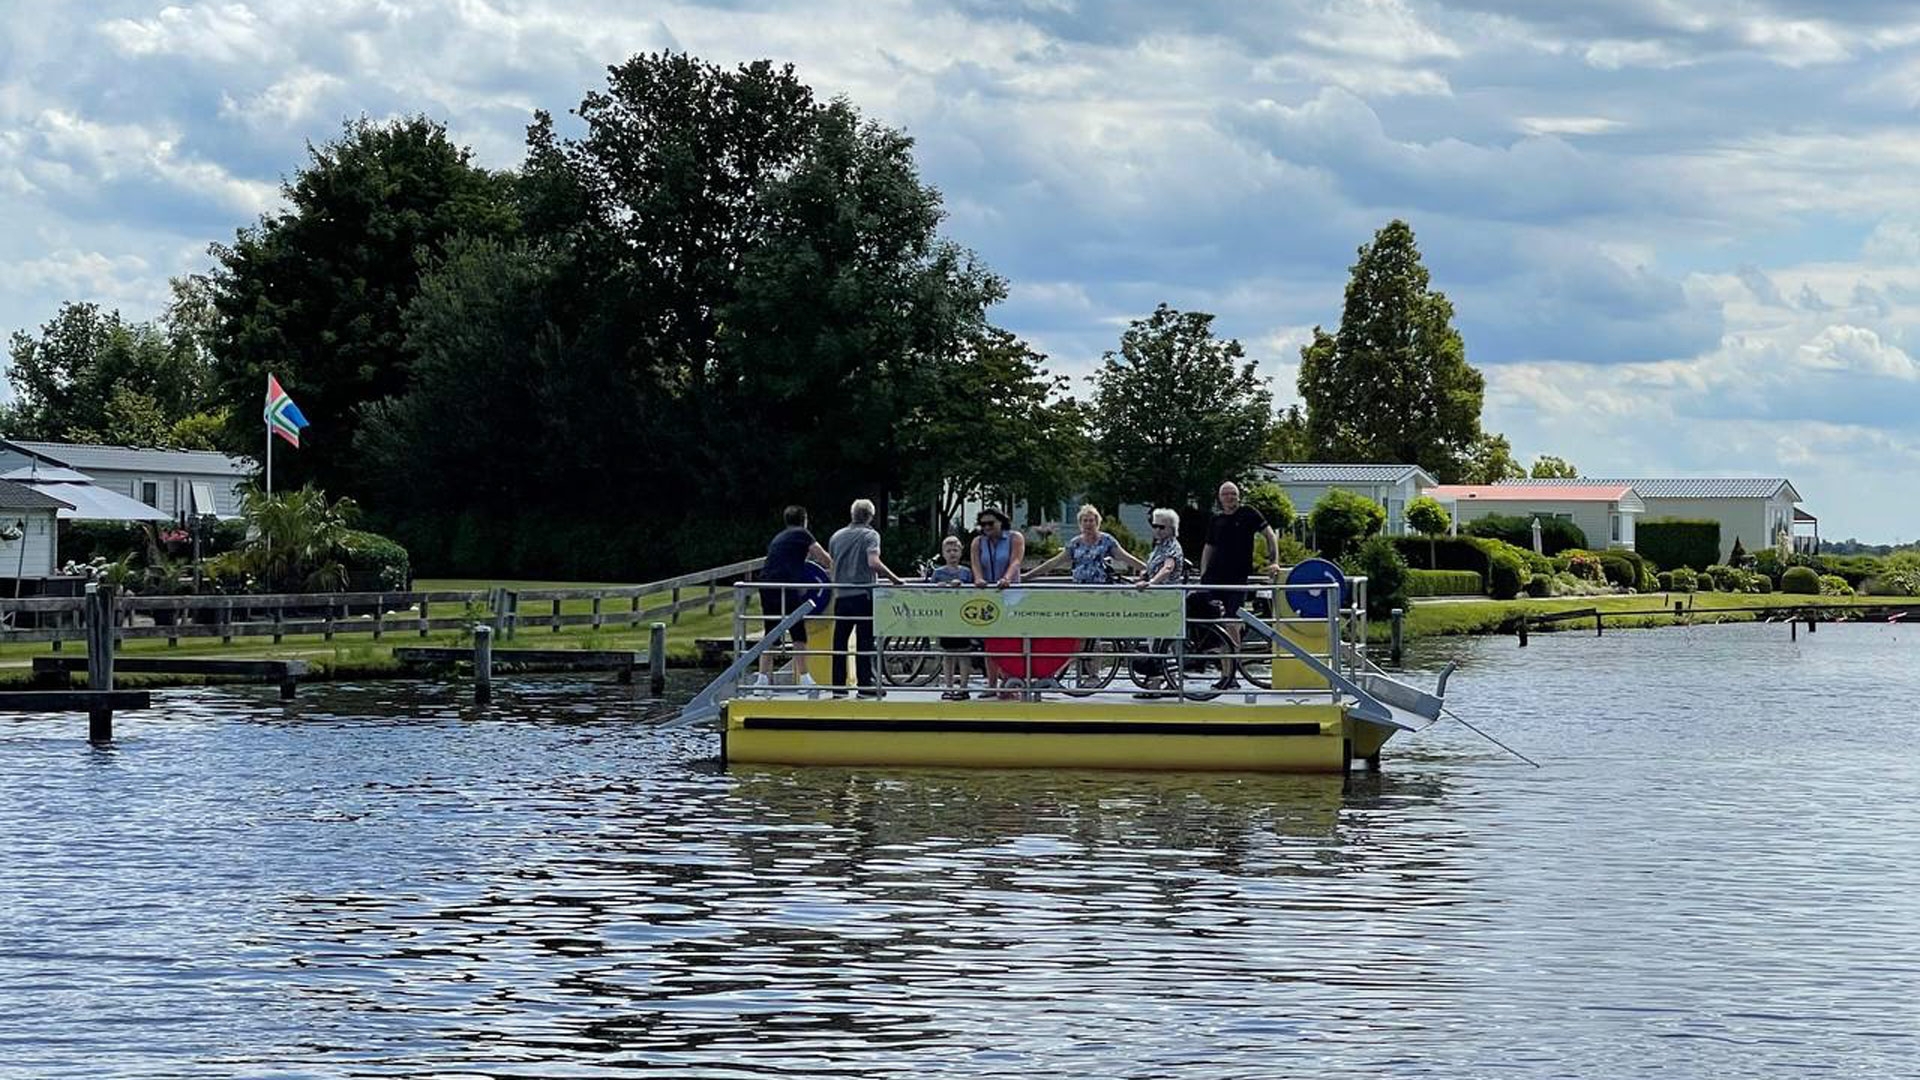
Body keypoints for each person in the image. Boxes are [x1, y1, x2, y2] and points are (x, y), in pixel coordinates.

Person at [1199, 481, 1280, 684]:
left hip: (1237, 577)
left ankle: (1231, 672)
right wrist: (1203, 573)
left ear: (1238, 496)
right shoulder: (1216, 519)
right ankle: (1223, 669)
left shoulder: (1248, 513)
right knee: (1208, 620)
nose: (1229, 498)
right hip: (1214, 577)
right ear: (1219, 498)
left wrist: (1274, 562)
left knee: (1231, 622)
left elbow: (1270, 535)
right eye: (1225, 494)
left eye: (1233, 494)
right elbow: (1208, 547)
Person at [829, 498, 905, 695]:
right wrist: (895, 579)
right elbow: (873, 562)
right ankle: (865, 685)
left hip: (841, 596)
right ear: (870, 516)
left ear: (852, 514)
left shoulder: (837, 536)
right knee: (865, 641)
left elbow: (832, 564)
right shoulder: (870, 535)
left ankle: (838, 686)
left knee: (840, 642)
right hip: (863, 595)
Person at [754, 505, 832, 687]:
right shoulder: (803, 534)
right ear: (804, 520)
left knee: (771, 632)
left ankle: (762, 679)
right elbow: (823, 558)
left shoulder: (779, 537)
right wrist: (836, 571)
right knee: (798, 631)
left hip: (766, 584)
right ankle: (805, 678)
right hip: (786, 586)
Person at [1029, 504, 1146, 583]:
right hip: (1080, 587)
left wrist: (1149, 571)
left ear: (1097, 522)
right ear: (1080, 523)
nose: (1088, 524)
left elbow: (1127, 558)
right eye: (1085, 521)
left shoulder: (1107, 540)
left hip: (1102, 588)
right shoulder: (1075, 543)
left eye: (1091, 521)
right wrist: (1027, 577)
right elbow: (1053, 562)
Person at [926, 536, 974, 700]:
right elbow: (929, 594)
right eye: (948, 551)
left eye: (955, 550)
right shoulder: (938, 573)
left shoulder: (967, 572)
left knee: (964, 653)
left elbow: (975, 594)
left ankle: (964, 687)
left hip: (963, 617)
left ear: (960, 552)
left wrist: (963, 586)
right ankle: (948, 687)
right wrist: (938, 587)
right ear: (943, 554)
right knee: (947, 654)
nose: (952, 553)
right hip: (946, 617)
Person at [970, 507, 1026, 589]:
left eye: (990, 523)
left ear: (1001, 522)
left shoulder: (1015, 537)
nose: (987, 527)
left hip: (1010, 589)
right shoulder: (977, 542)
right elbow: (975, 564)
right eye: (983, 524)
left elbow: (1015, 561)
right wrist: (979, 579)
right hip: (986, 590)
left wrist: (1006, 579)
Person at [1136, 507, 1186, 590]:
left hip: (1167, 593)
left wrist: (1150, 583)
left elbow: (1168, 568)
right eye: (1155, 526)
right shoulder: (1159, 546)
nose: (1157, 530)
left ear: (1172, 528)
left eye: (1162, 527)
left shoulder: (1172, 546)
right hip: (1157, 592)